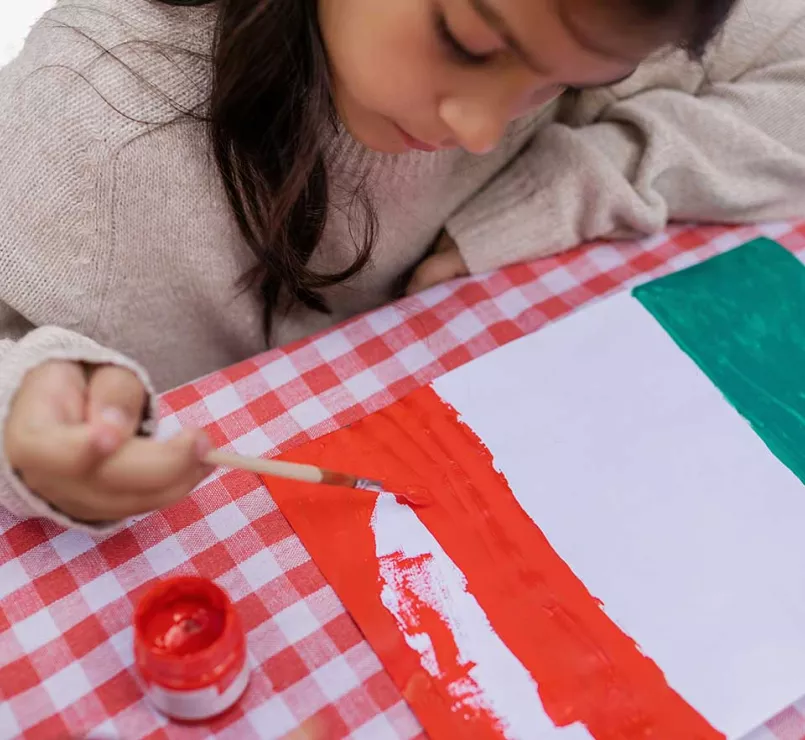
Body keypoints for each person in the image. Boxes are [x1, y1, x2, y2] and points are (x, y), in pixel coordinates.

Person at [0, 0, 803, 530]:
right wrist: (22, 425)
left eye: (571, 83)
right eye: (467, 42)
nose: (483, 129)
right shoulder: (91, 112)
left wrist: (568, 183)